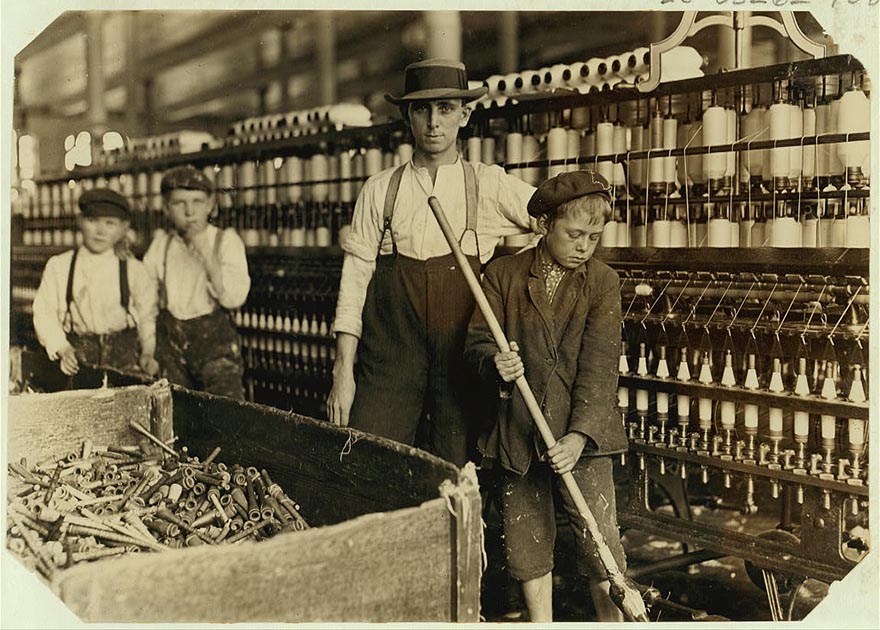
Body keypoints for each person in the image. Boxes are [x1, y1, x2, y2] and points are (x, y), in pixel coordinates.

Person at [326, 58, 537, 466]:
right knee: (369, 460)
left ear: (465, 113)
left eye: (445, 108)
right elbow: (353, 285)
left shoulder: (487, 184)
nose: (434, 122)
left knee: (458, 475)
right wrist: (342, 373)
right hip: (390, 362)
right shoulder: (379, 190)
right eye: (422, 109)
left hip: (460, 365)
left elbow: (554, 215)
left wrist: (512, 278)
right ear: (408, 115)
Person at [464, 170, 630, 622]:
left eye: (593, 238)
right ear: (543, 226)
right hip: (520, 430)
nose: (584, 246)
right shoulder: (503, 275)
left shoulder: (602, 282)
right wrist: (496, 366)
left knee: (600, 544)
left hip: (585, 436)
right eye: (574, 234)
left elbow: (599, 371)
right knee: (527, 545)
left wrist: (578, 437)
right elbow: (477, 344)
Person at [143, 165, 250, 399]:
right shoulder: (161, 246)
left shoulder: (226, 241)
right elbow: (146, 305)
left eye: (198, 202)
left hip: (215, 349)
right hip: (171, 349)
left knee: (226, 413)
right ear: (166, 207)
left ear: (211, 205)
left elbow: (234, 298)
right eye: (179, 203)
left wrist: (207, 254)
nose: (189, 211)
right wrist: (148, 351)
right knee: (174, 413)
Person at [32, 188, 158, 377]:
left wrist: (148, 354)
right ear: (80, 221)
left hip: (124, 362)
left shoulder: (135, 269)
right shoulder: (59, 266)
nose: (100, 231)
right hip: (78, 360)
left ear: (124, 228)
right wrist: (63, 348)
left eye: (110, 223)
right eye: (92, 221)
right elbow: (44, 314)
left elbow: (147, 317)